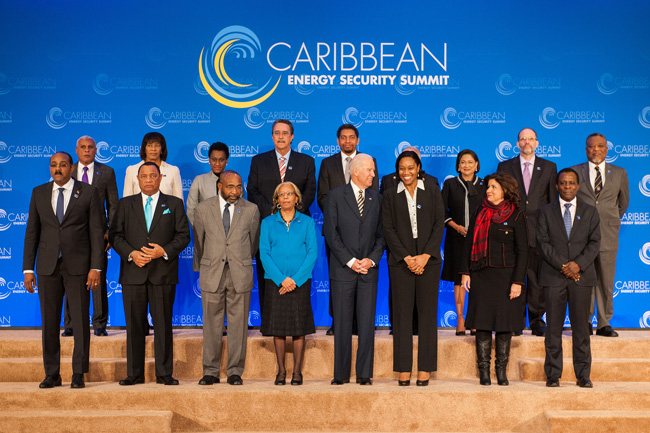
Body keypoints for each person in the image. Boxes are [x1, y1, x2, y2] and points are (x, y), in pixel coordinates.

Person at [23, 151, 104, 389]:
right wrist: (28, 268)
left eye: (62, 165)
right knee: (49, 323)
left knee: (79, 321)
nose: (57, 169)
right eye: (53, 165)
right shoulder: (39, 192)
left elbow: (96, 233)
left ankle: (78, 373)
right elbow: (32, 232)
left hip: (79, 266)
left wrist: (96, 267)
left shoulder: (88, 192)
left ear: (72, 167)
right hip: (47, 267)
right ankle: (52, 374)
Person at [109, 162, 190, 386]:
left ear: (160, 178)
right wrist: (131, 254)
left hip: (162, 274)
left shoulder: (173, 204)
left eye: (152, 176)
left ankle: (164, 373)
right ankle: (134, 374)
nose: (148, 180)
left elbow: (184, 235)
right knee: (134, 326)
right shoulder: (125, 204)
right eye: (143, 176)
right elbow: (115, 236)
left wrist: (164, 251)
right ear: (137, 179)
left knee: (163, 325)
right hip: (133, 274)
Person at [382, 150, 444, 386]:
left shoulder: (433, 190)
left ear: (418, 168)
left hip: (429, 262)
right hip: (401, 263)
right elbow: (388, 229)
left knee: (427, 316)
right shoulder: (390, 194)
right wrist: (407, 258)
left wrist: (425, 256)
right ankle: (403, 369)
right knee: (401, 316)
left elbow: (439, 224)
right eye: (401, 168)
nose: (406, 172)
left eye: (410, 168)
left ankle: (425, 368)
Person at [460, 173, 528, 386]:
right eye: (488, 187)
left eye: (493, 187)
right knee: (482, 324)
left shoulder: (516, 215)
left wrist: (518, 281)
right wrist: (465, 272)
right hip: (481, 275)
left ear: (505, 190)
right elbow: (469, 243)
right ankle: (484, 371)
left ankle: (501, 371)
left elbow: (523, 251)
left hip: (507, 278)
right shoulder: (479, 211)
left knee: (504, 325)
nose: (488, 190)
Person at [193, 170, 260, 386]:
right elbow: (199, 243)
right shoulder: (203, 209)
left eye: (239, 187)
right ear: (219, 186)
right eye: (230, 187)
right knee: (211, 324)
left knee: (238, 324)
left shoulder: (251, 209)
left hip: (240, 273)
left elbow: (253, 243)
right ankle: (210, 371)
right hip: (212, 272)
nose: (235, 191)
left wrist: (239, 260)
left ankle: (235, 371)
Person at [324, 154, 386, 386]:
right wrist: (350, 261)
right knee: (341, 324)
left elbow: (382, 235)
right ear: (355, 171)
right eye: (369, 170)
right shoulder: (335, 196)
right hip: (343, 270)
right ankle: (340, 374)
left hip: (368, 271)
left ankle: (364, 373)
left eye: (373, 170)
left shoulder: (377, 198)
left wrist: (370, 260)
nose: (373, 174)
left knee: (367, 324)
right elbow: (331, 233)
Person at [537, 168, 601, 388]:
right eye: (563, 183)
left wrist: (578, 265)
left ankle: (583, 375)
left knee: (581, 329)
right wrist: (564, 266)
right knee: (553, 328)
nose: (567, 187)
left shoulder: (590, 211)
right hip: (553, 276)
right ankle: (553, 375)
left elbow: (595, 242)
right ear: (557, 186)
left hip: (581, 278)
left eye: (571, 183)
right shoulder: (545, 211)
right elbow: (542, 242)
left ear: (578, 186)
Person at [247, 119, 316, 314]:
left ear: (292, 136)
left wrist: (294, 211)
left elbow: (310, 191)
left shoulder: (306, 161)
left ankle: (297, 319)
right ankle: (268, 321)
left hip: (298, 225)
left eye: (285, 133)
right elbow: (252, 190)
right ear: (272, 136)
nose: (280, 137)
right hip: (269, 224)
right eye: (277, 133)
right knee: (267, 273)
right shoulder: (259, 161)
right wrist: (273, 211)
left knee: (299, 273)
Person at [317, 124, 378, 335]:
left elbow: (374, 194)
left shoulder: (369, 161)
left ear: (357, 140)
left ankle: (360, 322)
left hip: (365, 234)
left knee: (363, 279)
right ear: (338, 141)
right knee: (339, 277)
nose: (347, 141)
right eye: (343, 137)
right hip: (336, 232)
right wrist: (340, 216)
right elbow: (322, 196)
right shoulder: (327, 163)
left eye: (351, 137)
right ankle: (338, 321)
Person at [497, 128, 556, 336]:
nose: (527, 142)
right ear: (518, 143)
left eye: (531, 139)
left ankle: (537, 321)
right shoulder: (505, 167)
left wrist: (550, 232)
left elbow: (552, 202)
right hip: (513, 232)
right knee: (515, 278)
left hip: (539, 232)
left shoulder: (549, 167)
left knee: (538, 280)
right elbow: (502, 200)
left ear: (537, 143)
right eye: (523, 139)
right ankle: (516, 320)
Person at [260, 182, 318, 386]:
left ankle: (297, 372)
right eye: (281, 194)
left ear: (296, 198)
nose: (285, 197)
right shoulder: (267, 222)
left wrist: (295, 280)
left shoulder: (307, 222)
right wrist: (281, 279)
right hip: (275, 282)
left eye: (289, 193)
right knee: (278, 329)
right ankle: (281, 371)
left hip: (299, 282)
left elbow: (312, 253)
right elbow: (264, 253)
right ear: (276, 200)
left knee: (298, 328)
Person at [571, 133, 629, 337]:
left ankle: (604, 323)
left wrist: (608, 218)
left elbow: (623, 203)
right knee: (583, 280)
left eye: (600, 146)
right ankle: (584, 322)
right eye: (591, 146)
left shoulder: (620, 173)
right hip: (581, 237)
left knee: (606, 280)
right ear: (586, 149)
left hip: (608, 235)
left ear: (606, 149)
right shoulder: (575, 172)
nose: (595, 150)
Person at [61, 135, 119, 337]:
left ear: (96, 150)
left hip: (98, 235)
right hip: (72, 235)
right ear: (77, 150)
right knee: (71, 278)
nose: (87, 150)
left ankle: (100, 323)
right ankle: (70, 323)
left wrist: (110, 232)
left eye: (90, 147)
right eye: (83, 147)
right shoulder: (68, 170)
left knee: (98, 278)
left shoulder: (107, 172)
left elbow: (113, 205)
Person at [441, 149, 485, 335]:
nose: (466, 165)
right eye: (463, 162)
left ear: (476, 165)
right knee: (459, 278)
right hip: (456, 238)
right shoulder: (450, 184)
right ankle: (460, 318)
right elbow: (442, 211)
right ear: (458, 165)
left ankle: (475, 318)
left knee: (477, 278)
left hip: (479, 240)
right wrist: (457, 227)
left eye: (470, 162)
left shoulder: (484, 185)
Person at [123, 132, 184, 202]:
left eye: (157, 145)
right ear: (144, 149)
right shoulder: (132, 170)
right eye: (149, 145)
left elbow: (179, 201)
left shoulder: (173, 170)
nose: (153, 149)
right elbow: (126, 201)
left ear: (162, 149)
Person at [187, 141, 229, 226]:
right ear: (209, 160)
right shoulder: (199, 181)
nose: (217, 163)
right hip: (205, 231)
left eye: (221, 160)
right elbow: (191, 210)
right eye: (214, 159)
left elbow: (239, 209)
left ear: (226, 160)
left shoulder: (234, 181)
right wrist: (200, 230)